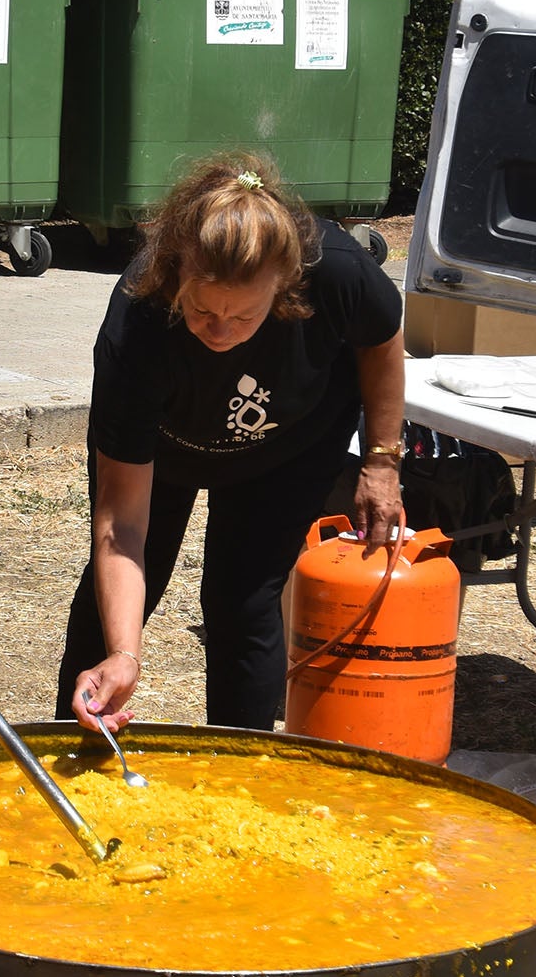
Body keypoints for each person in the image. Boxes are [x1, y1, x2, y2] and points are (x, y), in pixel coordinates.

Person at [59, 153, 405, 734]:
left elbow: (383, 344)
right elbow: (122, 530)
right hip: (165, 450)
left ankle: (239, 760)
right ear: (176, 278)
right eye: (201, 310)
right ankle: (73, 747)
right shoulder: (138, 319)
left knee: (243, 604)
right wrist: (126, 655)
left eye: (244, 317)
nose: (219, 332)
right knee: (115, 604)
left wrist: (382, 458)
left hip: (289, 444)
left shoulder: (337, 269)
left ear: (286, 287)